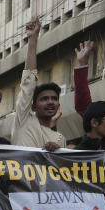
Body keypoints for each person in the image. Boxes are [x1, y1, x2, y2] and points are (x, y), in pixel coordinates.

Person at [12, 17, 64, 151]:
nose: (50, 102)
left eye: (54, 99)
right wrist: (33, 39)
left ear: (59, 104)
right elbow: (29, 82)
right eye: (44, 99)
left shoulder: (59, 139)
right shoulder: (24, 121)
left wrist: (56, 152)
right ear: (33, 106)